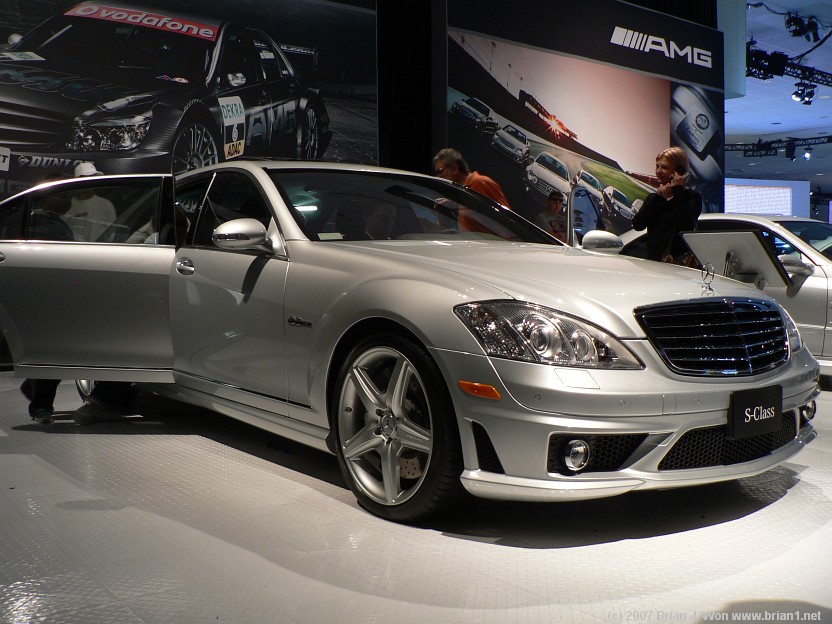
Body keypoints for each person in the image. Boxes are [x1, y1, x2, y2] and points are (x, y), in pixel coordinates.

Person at [631, 146, 702, 264]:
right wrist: (657, 198)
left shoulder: (691, 197)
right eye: (657, 166)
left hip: (677, 265)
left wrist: (677, 190)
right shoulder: (654, 198)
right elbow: (638, 225)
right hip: (653, 263)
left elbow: (686, 223)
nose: (658, 171)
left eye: (664, 167)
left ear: (678, 171)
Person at [432, 147, 510, 208]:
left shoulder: (480, 183)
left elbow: (506, 218)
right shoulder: (463, 194)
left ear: (454, 168)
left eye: (440, 171)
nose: (439, 176)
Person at [65, 162, 117, 241]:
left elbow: (112, 233)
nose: (92, 182)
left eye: (94, 179)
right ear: (78, 180)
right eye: (89, 178)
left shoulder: (106, 204)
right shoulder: (68, 205)